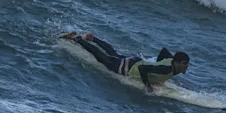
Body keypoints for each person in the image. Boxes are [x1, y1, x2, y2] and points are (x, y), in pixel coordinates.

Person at [61, 31, 189, 93]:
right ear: (176, 62)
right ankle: (77, 38)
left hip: (135, 61)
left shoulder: (171, 61)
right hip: (129, 68)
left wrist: (157, 63)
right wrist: (147, 85)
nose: (186, 67)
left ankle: (92, 38)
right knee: (101, 57)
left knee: (114, 54)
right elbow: (143, 69)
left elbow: (164, 51)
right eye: (184, 63)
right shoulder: (166, 69)